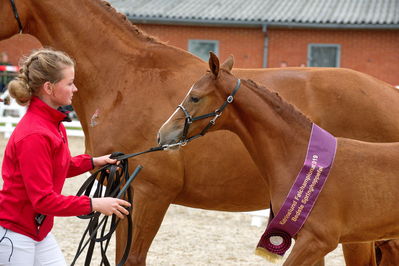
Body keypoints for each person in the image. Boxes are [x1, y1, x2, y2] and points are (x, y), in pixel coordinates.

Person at [0, 48, 131, 265]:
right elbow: (43, 200)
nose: (75, 88)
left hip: (38, 233)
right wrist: (95, 204)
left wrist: (93, 162)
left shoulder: (53, 124)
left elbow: (57, 165)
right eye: (69, 83)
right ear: (49, 88)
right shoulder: (35, 135)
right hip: (16, 235)